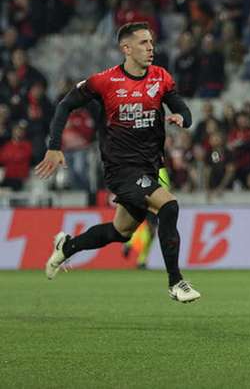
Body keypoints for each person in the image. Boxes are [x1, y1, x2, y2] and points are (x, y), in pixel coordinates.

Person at [35, 22, 200, 303]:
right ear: (126, 48)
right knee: (169, 205)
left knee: (120, 232)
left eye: (151, 42)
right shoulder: (105, 81)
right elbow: (65, 105)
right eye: (143, 43)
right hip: (120, 169)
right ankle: (176, 282)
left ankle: (67, 246)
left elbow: (182, 108)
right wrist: (53, 146)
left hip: (149, 167)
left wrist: (182, 118)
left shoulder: (160, 78)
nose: (151, 48)